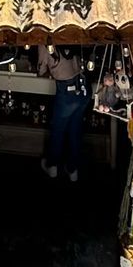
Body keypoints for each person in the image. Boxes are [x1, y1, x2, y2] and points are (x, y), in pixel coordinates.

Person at [40, 46, 90, 182]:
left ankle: (53, 166)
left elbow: (41, 70)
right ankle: (73, 170)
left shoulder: (45, 39)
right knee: (75, 129)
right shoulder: (71, 30)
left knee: (58, 130)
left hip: (66, 91)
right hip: (84, 86)